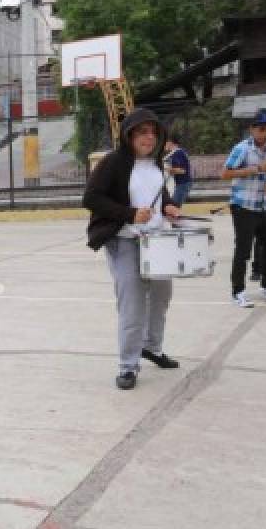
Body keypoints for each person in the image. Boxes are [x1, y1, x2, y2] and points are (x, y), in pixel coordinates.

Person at [83, 108, 183, 391]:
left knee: (162, 294)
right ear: (129, 135)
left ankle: (151, 347)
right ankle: (128, 365)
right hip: (125, 240)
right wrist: (128, 214)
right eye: (142, 132)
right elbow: (91, 198)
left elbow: (155, 195)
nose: (148, 138)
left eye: (153, 133)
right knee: (133, 303)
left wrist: (167, 206)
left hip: (157, 240)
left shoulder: (156, 165)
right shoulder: (114, 162)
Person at [222, 110, 266, 309]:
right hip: (242, 206)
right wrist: (256, 169)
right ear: (252, 129)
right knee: (243, 250)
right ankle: (238, 292)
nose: (265, 133)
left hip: (260, 205)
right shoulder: (242, 148)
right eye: (261, 129)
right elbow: (225, 173)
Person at [164, 132, 193, 207]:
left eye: (165, 142)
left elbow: (181, 170)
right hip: (180, 184)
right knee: (173, 207)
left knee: (173, 207)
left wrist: (164, 168)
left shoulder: (177, 153)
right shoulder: (177, 152)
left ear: (170, 142)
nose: (163, 145)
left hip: (182, 184)